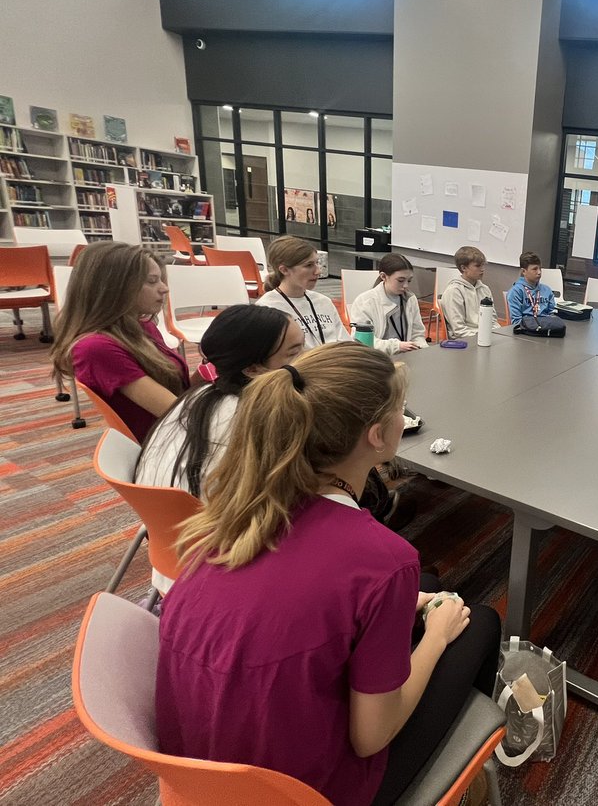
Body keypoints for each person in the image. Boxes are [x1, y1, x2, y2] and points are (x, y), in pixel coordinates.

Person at [157, 344, 501, 806]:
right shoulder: (384, 558)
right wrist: (437, 637)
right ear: (377, 436)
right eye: (401, 409)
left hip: (200, 781)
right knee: (478, 623)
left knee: (428, 588)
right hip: (303, 795)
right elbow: (370, 738)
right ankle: (468, 781)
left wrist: (410, 603)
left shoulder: (230, 517)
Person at [135, 305, 304, 496]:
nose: (308, 356)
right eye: (293, 353)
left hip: (161, 509)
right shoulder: (254, 418)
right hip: (206, 511)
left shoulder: (199, 395)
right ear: (252, 369)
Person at [49, 242, 189, 442]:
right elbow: (176, 412)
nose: (164, 288)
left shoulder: (141, 327)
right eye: (152, 281)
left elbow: (177, 391)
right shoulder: (95, 349)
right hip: (166, 443)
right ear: (115, 288)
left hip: (177, 431)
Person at [257, 235, 351, 350]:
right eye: (309, 265)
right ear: (284, 270)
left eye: (317, 263)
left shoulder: (324, 302)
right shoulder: (267, 309)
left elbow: (346, 344)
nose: (318, 271)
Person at [350, 253, 428, 354]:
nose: (405, 285)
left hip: (406, 355)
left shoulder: (410, 299)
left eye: (409, 281)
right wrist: (396, 346)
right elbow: (362, 342)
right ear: (383, 276)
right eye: (400, 280)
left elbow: (417, 334)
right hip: (375, 357)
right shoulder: (364, 302)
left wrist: (421, 348)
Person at [441, 245, 500, 339]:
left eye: (483, 265)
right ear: (463, 268)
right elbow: (459, 330)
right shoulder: (454, 291)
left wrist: (497, 334)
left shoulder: (484, 289)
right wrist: (482, 336)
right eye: (478, 266)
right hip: (465, 340)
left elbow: (492, 320)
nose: (482, 269)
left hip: (485, 336)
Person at [506, 250, 557, 324]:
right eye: (535, 269)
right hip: (526, 328)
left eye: (540, 268)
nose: (539, 272)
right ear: (524, 271)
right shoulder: (516, 292)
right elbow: (516, 321)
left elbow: (553, 314)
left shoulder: (547, 290)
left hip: (546, 327)